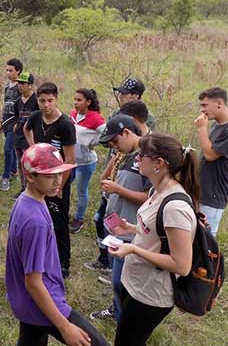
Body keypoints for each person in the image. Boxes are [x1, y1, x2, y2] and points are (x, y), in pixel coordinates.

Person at [93, 134, 198, 346]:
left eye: (142, 156)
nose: (136, 159)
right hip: (135, 282)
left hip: (152, 293)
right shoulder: (155, 190)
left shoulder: (176, 206)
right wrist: (130, 229)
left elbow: (181, 264)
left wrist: (134, 250)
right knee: (135, 345)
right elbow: (155, 231)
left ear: (159, 163)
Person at [5, 143, 112, 346]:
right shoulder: (35, 221)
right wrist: (64, 325)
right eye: (49, 175)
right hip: (43, 301)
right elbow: (33, 281)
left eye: (60, 173)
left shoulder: (29, 201)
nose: (58, 180)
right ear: (30, 176)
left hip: (26, 303)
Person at [89, 115, 150, 323]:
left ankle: (125, 319)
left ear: (127, 132)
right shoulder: (126, 155)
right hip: (115, 226)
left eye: (116, 141)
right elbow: (103, 180)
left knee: (120, 280)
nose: (115, 146)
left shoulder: (146, 158)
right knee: (117, 277)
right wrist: (115, 157)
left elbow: (150, 199)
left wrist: (118, 190)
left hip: (130, 229)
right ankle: (117, 310)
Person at [24, 82, 76, 279]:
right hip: (38, 178)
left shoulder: (65, 125)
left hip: (57, 179)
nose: (46, 105)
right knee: (38, 216)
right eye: (42, 101)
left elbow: (70, 159)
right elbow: (26, 129)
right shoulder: (36, 116)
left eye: (50, 101)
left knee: (59, 223)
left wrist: (59, 185)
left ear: (56, 100)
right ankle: (41, 255)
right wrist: (33, 150)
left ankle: (63, 263)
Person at [194, 87, 228, 235]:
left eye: (205, 105)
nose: (202, 110)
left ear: (219, 103)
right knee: (193, 239)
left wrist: (202, 130)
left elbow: (210, 155)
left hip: (214, 194)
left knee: (205, 242)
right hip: (202, 191)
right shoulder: (217, 125)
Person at [69, 88, 106, 232]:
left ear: (88, 102)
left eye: (79, 100)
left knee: (81, 191)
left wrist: (93, 143)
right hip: (71, 160)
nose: (76, 103)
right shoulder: (73, 114)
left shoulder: (95, 118)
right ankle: (62, 211)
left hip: (85, 163)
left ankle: (79, 219)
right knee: (63, 185)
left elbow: (107, 135)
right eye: (75, 99)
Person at [11, 72, 39, 197]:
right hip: (18, 137)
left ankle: (33, 189)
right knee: (21, 164)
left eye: (23, 83)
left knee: (31, 165)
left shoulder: (36, 101)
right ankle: (23, 188)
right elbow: (17, 116)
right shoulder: (18, 101)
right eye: (19, 83)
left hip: (30, 139)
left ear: (30, 85)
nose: (20, 86)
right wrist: (16, 126)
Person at [0, 58, 23, 191]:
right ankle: (13, 170)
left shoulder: (21, 86)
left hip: (15, 122)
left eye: (11, 70)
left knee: (8, 149)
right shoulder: (8, 86)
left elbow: (24, 107)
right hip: (6, 121)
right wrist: (0, 120)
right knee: (11, 148)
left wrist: (18, 123)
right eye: (7, 70)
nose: (8, 73)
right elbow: (5, 104)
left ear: (18, 71)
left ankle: (6, 177)